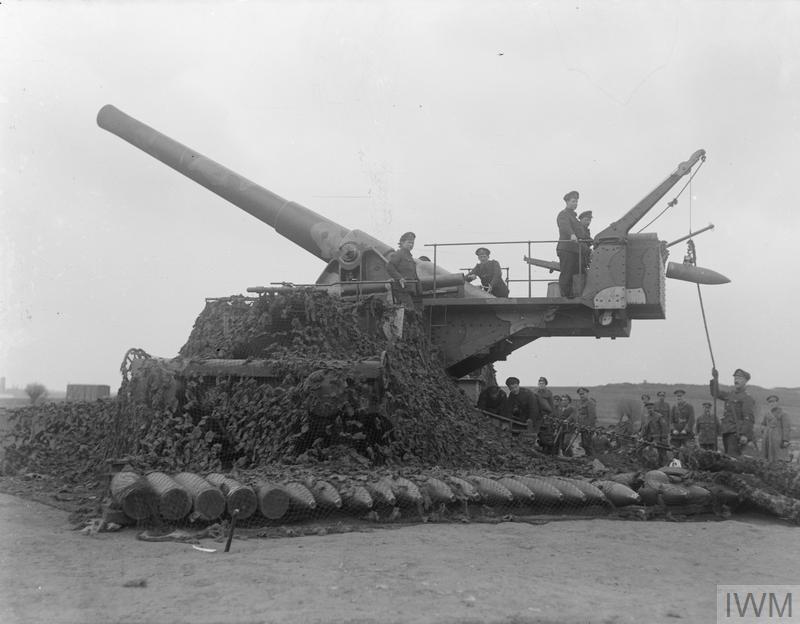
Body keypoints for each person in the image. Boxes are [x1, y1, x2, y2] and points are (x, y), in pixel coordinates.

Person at [709, 368, 756, 457]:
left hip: (736, 433)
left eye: (740, 378)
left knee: (733, 458)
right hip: (727, 431)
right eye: (735, 378)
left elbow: (748, 419)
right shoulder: (730, 395)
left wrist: (744, 435)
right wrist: (715, 378)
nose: (736, 380)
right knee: (728, 457)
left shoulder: (747, 398)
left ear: (745, 381)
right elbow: (715, 393)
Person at [556, 190, 582, 298]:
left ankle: (571, 294)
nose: (575, 204)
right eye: (573, 201)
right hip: (566, 248)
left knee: (573, 273)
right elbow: (564, 226)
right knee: (566, 273)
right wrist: (571, 234)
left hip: (574, 249)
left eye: (576, 202)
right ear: (567, 202)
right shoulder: (563, 214)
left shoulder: (574, 217)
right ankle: (564, 296)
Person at [386, 231, 420, 311]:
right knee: (408, 310)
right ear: (402, 243)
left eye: (412, 243)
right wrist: (400, 278)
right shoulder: (399, 254)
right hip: (401, 289)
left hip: (408, 289)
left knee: (408, 310)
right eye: (409, 242)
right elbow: (389, 266)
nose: (411, 245)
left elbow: (414, 274)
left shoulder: (409, 256)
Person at [760, 395, 791, 462]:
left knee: (779, 456)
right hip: (768, 437)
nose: (772, 403)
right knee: (767, 455)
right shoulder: (767, 414)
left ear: (777, 402)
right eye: (770, 402)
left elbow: (786, 427)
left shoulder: (783, 414)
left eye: (774, 401)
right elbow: (763, 423)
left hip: (778, 437)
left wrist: (785, 440)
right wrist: (763, 429)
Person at [641, 401, 669, 466]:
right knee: (642, 449)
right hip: (649, 438)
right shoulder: (647, 417)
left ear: (653, 408)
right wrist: (642, 437)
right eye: (648, 408)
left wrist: (663, 439)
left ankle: (663, 466)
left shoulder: (659, 417)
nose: (649, 410)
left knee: (662, 453)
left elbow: (664, 428)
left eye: (650, 408)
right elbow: (644, 429)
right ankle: (647, 464)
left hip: (659, 439)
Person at [575, 387, 597, 456]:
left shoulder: (590, 403)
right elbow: (579, 416)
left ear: (587, 393)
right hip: (582, 427)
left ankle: (593, 459)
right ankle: (588, 456)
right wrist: (578, 426)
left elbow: (592, 417)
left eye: (583, 394)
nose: (581, 395)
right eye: (580, 394)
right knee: (584, 444)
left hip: (588, 428)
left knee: (588, 444)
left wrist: (589, 427)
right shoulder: (580, 403)